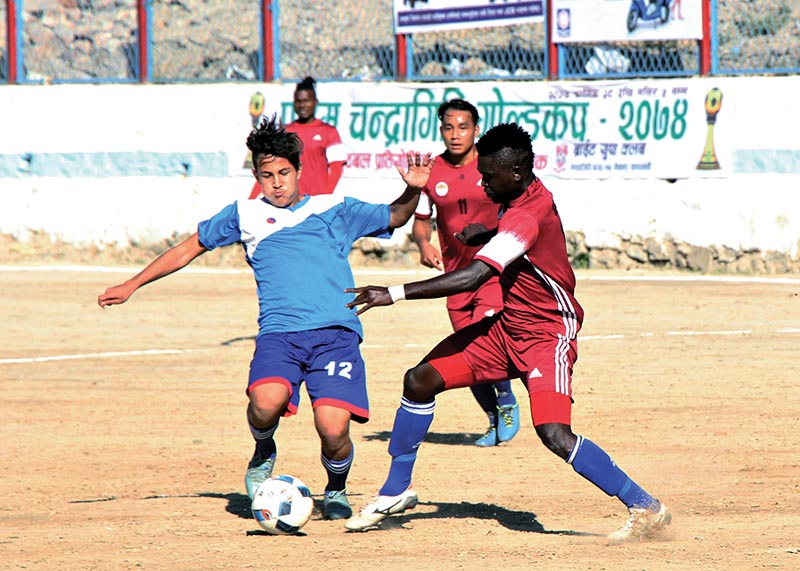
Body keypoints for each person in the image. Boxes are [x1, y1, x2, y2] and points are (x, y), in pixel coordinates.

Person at [342, 122, 671, 542]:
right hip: (506, 327)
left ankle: (646, 505)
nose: (482, 182)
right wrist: (490, 232)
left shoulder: (525, 213)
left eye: (488, 176)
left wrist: (392, 293)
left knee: (554, 434)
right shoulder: (522, 194)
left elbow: (473, 276)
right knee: (419, 380)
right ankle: (396, 489)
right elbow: (520, 236)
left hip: (546, 334)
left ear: (515, 172)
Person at [98, 114, 432, 521]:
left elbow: (395, 216)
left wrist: (412, 190)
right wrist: (133, 283)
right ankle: (263, 450)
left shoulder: (335, 209)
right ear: (257, 175)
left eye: (284, 173)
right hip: (280, 335)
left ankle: (336, 487)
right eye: (266, 174)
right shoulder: (244, 213)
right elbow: (188, 249)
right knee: (263, 405)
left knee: (333, 430)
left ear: (299, 170)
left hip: (336, 335)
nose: (276, 183)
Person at [411, 98, 519, 447]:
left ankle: (506, 398)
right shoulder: (432, 173)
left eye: (462, 127)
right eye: (448, 127)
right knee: (469, 353)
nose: (455, 134)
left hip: (491, 274)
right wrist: (424, 244)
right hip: (455, 281)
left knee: (485, 338)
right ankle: (491, 419)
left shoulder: (491, 166)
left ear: (475, 129)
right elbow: (421, 222)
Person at [247, 76, 347, 200]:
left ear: (315, 102)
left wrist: (325, 197)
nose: (302, 105)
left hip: (317, 203)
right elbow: (269, 167)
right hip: (290, 204)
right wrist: (251, 199)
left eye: (306, 101)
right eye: (298, 101)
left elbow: (336, 169)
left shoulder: (329, 132)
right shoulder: (286, 131)